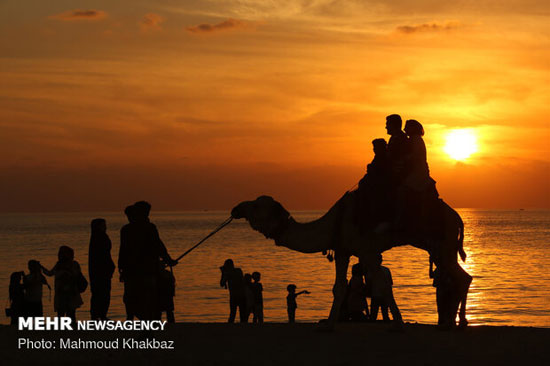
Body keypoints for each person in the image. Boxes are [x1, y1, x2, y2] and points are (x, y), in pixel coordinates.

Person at [118, 201, 178, 321]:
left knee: (132, 297)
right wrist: (168, 259)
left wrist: (121, 268)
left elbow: (123, 250)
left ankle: (132, 319)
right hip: (147, 269)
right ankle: (150, 321)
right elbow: (158, 246)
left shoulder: (126, 229)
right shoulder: (149, 227)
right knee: (149, 297)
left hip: (131, 269)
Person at [42, 246, 84, 324]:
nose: (60, 255)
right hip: (62, 293)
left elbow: (76, 275)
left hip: (70, 293)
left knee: (69, 314)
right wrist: (42, 268)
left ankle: (68, 330)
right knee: (62, 314)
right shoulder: (59, 265)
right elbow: (50, 273)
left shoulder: (73, 264)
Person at [88, 218, 115, 320]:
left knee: (99, 293)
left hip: (99, 270)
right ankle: (99, 315)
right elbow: (104, 255)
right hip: (101, 271)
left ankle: (98, 315)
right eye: (103, 225)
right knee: (102, 293)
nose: (105, 227)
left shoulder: (96, 237)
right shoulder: (100, 237)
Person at [368, 254, 403, 330]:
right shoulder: (385, 270)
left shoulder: (373, 271)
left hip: (379, 295)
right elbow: (390, 283)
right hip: (380, 294)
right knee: (382, 314)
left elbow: (369, 282)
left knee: (376, 314)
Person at [385, 114, 410, 183]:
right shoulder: (395, 137)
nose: (386, 127)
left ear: (393, 125)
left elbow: (394, 157)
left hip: (397, 175)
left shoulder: (400, 138)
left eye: (388, 124)